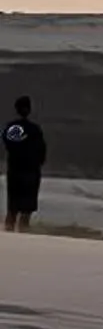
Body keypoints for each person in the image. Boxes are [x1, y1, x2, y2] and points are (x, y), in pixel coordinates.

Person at [4, 95, 46, 231]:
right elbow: (42, 153)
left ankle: (9, 232)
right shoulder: (35, 129)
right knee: (26, 210)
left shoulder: (11, 128)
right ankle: (23, 232)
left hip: (15, 171)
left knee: (12, 208)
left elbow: (9, 145)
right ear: (29, 110)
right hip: (30, 173)